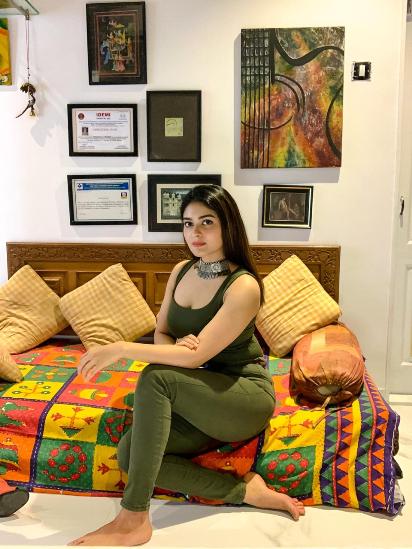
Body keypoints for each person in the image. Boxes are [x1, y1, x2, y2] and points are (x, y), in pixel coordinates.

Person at [69, 185, 305, 547]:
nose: (195, 232)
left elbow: (194, 357)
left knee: (155, 378)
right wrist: (175, 351)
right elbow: (162, 332)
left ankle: (133, 518)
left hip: (242, 397)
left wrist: (121, 348)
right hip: (200, 392)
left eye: (206, 222)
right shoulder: (182, 271)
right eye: (188, 223)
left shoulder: (243, 286)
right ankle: (244, 491)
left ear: (228, 225)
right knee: (130, 454)